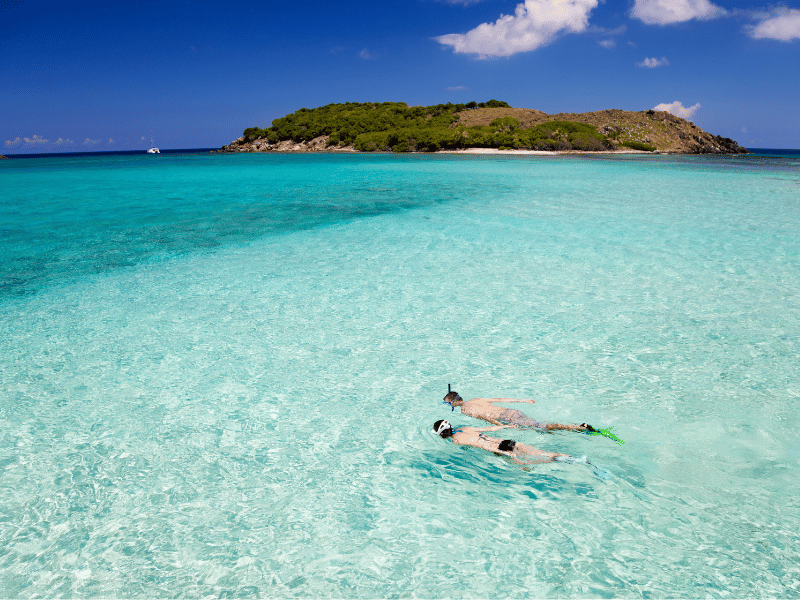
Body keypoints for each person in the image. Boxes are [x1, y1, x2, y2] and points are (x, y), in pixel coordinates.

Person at [442, 384, 596, 433]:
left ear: (453, 403)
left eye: (448, 404)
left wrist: (503, 426)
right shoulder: (477, 399)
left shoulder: (465, 410)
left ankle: (579, 427)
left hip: (508, 418)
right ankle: (572, 430)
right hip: (512, 411)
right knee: (542, 429)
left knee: (541, 426)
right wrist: (522, 400)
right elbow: (501, 399)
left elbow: (485, 417)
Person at [432, 420, 587, 466]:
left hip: (500, 448)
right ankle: (572, 457)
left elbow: (482, 446)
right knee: (541, 453)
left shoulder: (456, 440)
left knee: (533, 462)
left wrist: (507, 454)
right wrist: (506, 426)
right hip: (506, 441)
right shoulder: (463, 428)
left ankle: (562, 460)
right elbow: (489, 429)